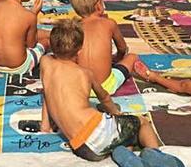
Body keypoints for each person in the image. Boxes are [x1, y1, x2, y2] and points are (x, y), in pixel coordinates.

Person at [40, 19, 160, 161]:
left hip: (82, 148)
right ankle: (156, 156)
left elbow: (47, 92)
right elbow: (105, 98)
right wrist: (116, 113)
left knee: (122, 136)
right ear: (79, 50)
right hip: (97, 130)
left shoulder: (45, 63)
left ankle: (127, 157)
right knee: (141, 123)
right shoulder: (84, 74)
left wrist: (45, 126)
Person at [70, 0, 139, 96]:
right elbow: (122, 48)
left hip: (80, 87)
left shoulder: (72, 27)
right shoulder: (109, 24)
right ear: (98, 5)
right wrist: (116, 59)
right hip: (106, 87)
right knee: (132, 57)